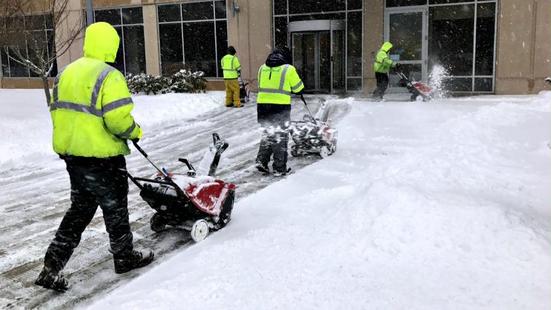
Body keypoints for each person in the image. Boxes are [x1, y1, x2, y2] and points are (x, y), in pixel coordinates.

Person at [35, 22, 154, 292]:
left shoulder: (65, 73)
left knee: (78, 211)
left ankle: (51, 267)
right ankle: (124, 257)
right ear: (111, 45)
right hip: (104, 158)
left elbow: (58, 112)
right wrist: (134, 131)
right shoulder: (109, 76)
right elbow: (117, 119)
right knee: (115, 209)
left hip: (74, 158)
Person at [255, 47, 304, 176]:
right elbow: (298, 88)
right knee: (280, 137)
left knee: (268, 133)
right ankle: (279, 168)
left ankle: (261, 161)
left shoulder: (262, 68)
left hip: (263, 107)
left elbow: (262, 85)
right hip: (280, 108)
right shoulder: (288, 69)